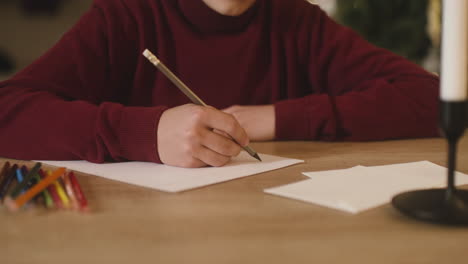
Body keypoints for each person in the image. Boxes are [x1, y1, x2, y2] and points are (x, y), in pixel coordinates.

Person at [0, 0, 439, 168]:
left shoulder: (297, 21)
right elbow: (9, 109)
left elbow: (430, 98)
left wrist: (270, 118)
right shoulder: (126, 15)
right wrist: (144, 133)